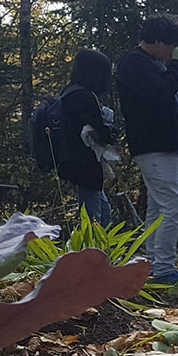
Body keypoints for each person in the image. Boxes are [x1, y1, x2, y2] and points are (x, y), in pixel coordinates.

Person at [116, 13, 178, 284]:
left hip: (162, 147)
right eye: (173, 46)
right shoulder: (134, 64)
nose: (175, 52)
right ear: (159, 42)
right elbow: (162, 92)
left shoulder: (150, 64)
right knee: (173, 203)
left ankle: (150, 264)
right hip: (153, 146)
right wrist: (177, 65)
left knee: (158, 208)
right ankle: (163, 268)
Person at [57, 49, 117, 226]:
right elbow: (104, 133)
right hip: (85, 164)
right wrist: (111, 130)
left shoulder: (69, 92)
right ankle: (90, 251)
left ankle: (100, 250)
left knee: (102, 213)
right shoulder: (84, 97)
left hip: (73, 162)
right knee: (94, 219)